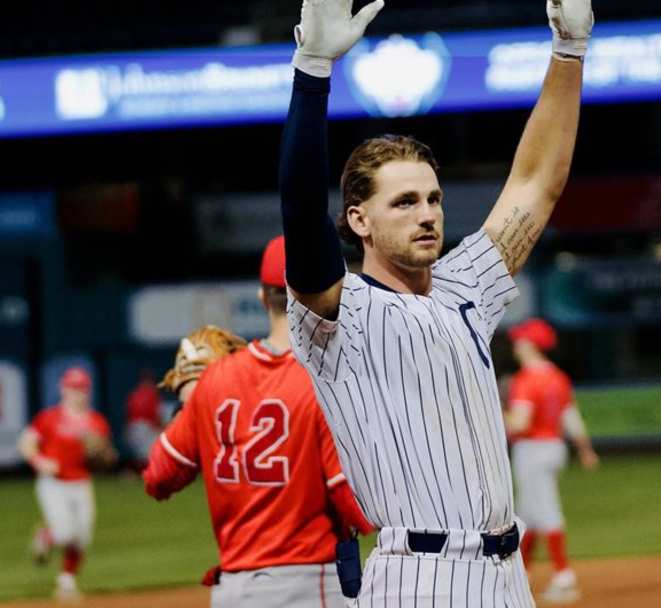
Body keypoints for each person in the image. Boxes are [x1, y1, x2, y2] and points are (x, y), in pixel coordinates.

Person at [279, 0, 593, 603]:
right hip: (421, 575)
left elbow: (536, 184)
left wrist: (569, 51)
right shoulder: (338, 313)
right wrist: (313, 71)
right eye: (404, 202)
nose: (426, 214)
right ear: (358, 220)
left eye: (433, 198)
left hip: (507, 575)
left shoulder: (465, 283)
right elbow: (299, 206)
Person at [142, 236, 374, 608]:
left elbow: (157, 478)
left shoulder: (214, 380)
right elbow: (358, 507)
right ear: (329, 295)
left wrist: (190, 401)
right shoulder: (323, 382)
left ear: (263, 297)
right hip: (307, 585)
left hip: (233, 589)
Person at [505, 318, 599, 604]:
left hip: (532, 450)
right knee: (529, 512)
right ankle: (520, 574)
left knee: (545, 510)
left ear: (531, 345)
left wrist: (493, 412)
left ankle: (564, 576)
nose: (516, 345)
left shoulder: (526, 380)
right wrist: (585, 450)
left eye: (521, 340)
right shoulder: (557, 377)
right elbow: (571, 418)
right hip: (554, 448)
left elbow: (519, 423)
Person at [17, 367, 115, 601]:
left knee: (81, 537)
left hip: (81, 483)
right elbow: (26, 442)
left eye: (81, 388)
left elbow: (107, 457)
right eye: (73, 388)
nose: (77, 393)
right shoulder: (49, 418)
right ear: (63, 389)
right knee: (64, 533)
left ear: (88, 391)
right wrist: (38, 461)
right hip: (53, 483)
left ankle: (67, 582)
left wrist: (104, 455)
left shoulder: (97, 422)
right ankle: (46, 537)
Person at [125, 370, 162, 471]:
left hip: (133, 427)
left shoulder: (135, 393)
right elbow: (155, 415)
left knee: (141, 453)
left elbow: (128, 414)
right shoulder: (151, 393)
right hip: (145, 426)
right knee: (149, 452)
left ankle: (137, 470)